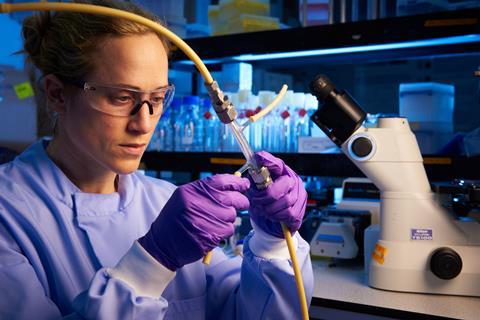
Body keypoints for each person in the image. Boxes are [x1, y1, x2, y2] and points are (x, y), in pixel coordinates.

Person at [0, 1, 313, 319]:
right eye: (122, 98)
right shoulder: (8, 212)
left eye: (158, 98)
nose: (144, 124)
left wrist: (272, 244)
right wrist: (151, 261)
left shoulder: (164, 200)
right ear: (57, 94)